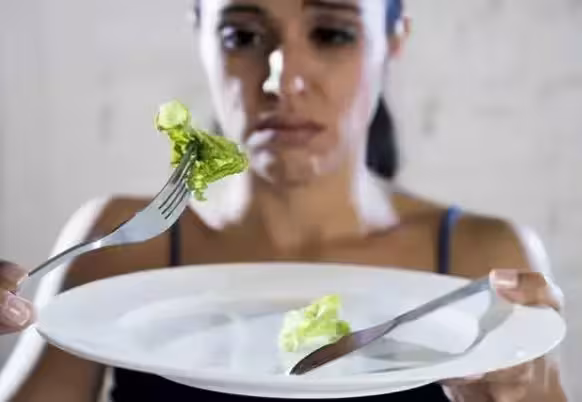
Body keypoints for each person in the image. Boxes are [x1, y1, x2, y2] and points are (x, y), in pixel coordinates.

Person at [1, 0, 567, 401]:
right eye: (243, 37)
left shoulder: (479, 259)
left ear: (394, 41)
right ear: (201, 36)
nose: (282, 80)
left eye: (332, 34)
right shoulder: (118, 246)